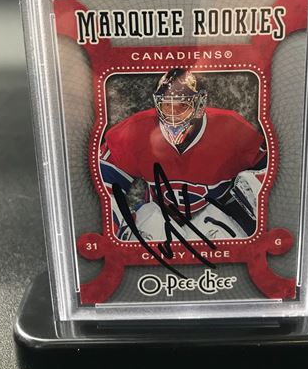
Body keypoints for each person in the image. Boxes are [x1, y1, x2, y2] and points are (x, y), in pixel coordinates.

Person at [99, 68, 267, 240]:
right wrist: (116, 223)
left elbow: (268, 174)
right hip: (160, 218)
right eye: (166, 105)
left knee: (223, 232)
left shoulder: (231, 129)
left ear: (200, 105)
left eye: (182, 106)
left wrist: (248, 198)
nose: (173, 116)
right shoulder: (137, 130)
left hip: (218, 216)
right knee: (147, 226)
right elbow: (102, 183)